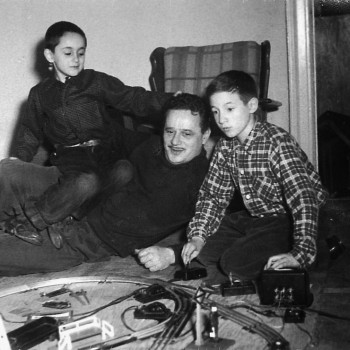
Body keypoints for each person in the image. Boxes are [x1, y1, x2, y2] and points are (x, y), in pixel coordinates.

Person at [0, 93, 211, 276]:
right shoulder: (154, 145)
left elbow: (228, 230)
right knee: (8, 172)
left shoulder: (206, 184)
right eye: (170, 131)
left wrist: (171, 254)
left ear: (205, 136)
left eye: (187, 134)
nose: (175, 142)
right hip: (72, 193)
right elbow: (114, 134)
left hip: (81, 238)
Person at [6, 21, 172, 247]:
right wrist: (19, 159)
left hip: (105, 150)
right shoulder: (40, 94)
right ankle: (28, 220)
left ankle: (69, 215)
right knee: (87, 182)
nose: (76, 59)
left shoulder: (95, 81)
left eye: (81, 53)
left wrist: (170, 101)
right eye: (68, 52)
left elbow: (132, 97)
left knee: (124, 170)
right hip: (71, 156)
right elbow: (29, 130)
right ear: (49, 55)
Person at [181, 70, 328, 281]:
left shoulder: (276, 141)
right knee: (202, 251)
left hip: (296, 215)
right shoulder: (225, 146)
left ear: (251, 106)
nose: (221, 120)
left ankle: (321, 246)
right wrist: (197, 237)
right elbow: (213, 197)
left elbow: (303, 198)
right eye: (215, 111)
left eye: (229, 109)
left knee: (232, 264)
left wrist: (301, 253)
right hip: (259, 217)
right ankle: (257, 246)